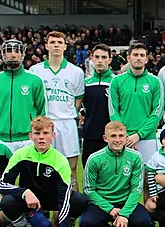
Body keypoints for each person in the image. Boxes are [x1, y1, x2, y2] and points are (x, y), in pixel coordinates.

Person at [0, 116, 89, 227]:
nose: (41, 137)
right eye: (37, 133)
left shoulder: (60, 160)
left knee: (80, 200)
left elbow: (64, 199)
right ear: (30, 136)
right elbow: (2, 184)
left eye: (45, 133)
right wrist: (24, 192)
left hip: (53, 200)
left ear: (53, 135)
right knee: (7, 201)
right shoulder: (20, 155)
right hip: (29, 201)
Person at [29, 31, 84, 187]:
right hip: (45, 124)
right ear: (46, 46)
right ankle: (44, 209)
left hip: (67, 124)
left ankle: (71, 208)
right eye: (52, 42)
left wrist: (70, 113)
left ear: (65, 46)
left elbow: (78, 98)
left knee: (71, 169)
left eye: (59, 43)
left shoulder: (76, 72)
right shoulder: (35, 71)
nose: (56, 46)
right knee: (42, 169)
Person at [81, 121, 152, 227]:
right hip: (102, 203)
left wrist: (124, 213)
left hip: (125, 201)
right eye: (113, 136)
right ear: (105, 138)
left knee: (144, 222)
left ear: (126, 137)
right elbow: (89, 190)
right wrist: (110, 209)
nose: (117, 140)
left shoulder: (135, 157)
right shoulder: (94, 159)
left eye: (121, 136)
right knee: (86, 223)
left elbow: (136, 189)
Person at [108, 40, 164, 166]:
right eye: (135, 55)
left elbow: (157, 113)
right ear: (128, 57)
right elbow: (113, 111)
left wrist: (138, 135)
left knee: (148, 181)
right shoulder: (116, 81)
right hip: (123, 139)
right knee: (123, 180)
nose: (138, 58)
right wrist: (125, 135)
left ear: (146, 59)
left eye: (142, 55)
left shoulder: (155, 82)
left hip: (147, 138)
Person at [0, 38, 46, 152]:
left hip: (27, 140)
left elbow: (42, 112)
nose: (13, 55)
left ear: (22, 54)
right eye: (9, 51)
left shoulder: (34, 80)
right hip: (1, 140)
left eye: (16, 51)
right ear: (3, 55)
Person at [82, 44, 115, 166]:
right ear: (92, 59)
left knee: (110, 175)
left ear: (110, 60)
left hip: (111, 136)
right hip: (90, 135)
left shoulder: (116, 82)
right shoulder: (85, 83)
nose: (100, 60)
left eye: (104, 57)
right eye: (97, 57)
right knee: (89, 173)